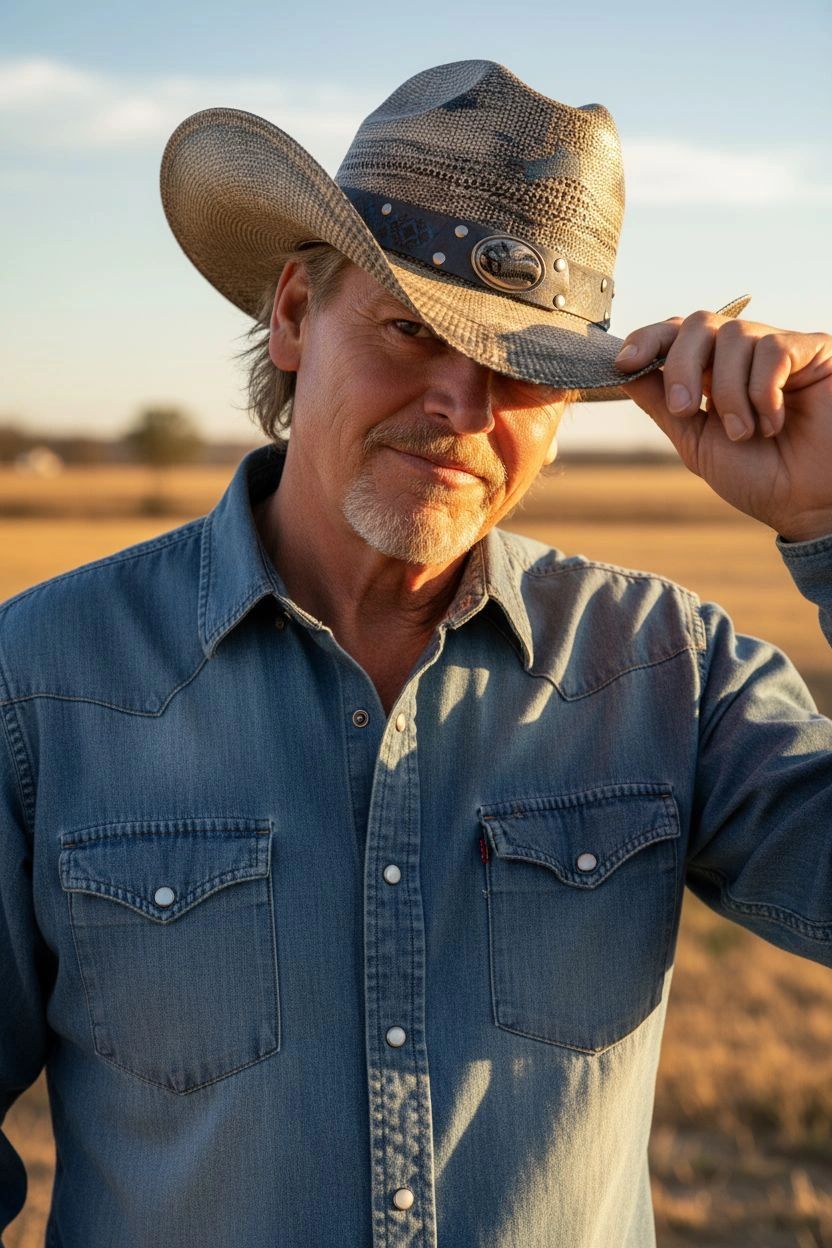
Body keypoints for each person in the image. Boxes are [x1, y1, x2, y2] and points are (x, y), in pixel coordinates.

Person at [1, 59, 829, 1248]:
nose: (463, 406)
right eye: (413, 330)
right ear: (295, 314)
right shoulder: (43, 682)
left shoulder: (666, 671)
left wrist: (830, 518)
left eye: (524, 369)